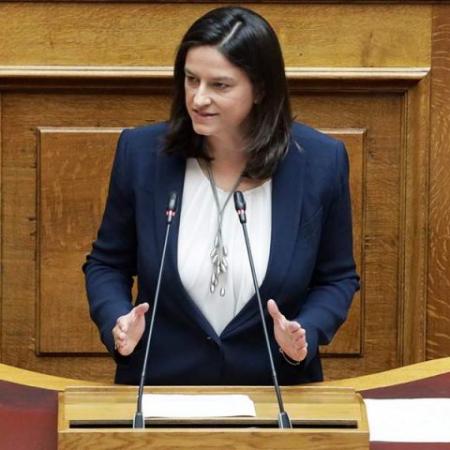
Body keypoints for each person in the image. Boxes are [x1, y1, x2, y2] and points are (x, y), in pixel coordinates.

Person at [83, 6, 359, 386]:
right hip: (162, 388)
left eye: (219, 85)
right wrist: (117, 320)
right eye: (191, 79)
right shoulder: (143, 154)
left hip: (274, 388)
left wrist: (305, 334)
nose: (198, 98)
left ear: (261, 89)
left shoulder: (319, 161)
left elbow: (337, 278)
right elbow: (106, 263)